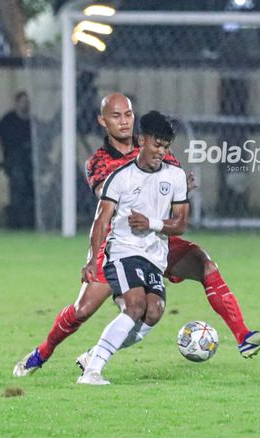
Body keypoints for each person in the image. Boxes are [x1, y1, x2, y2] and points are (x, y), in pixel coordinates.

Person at [13, 93, 260, 377]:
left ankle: (243, 337)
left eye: (128, 115)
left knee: (202, 264)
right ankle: (41, 354)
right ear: (103, 121)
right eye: (116, 116)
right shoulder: (100, 163)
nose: (124, 121)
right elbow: (113, 203)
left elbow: (172, 195)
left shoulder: (158, 146)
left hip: (156, 237)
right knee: (83, 310)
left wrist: (179, 191)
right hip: (121, 244)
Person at [76, 111, 189, 385]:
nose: (161, 152)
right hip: (123, 251)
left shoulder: (176, 177)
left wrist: (150, 222)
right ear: (141, 140)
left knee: (154, 311)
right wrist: (92, 260)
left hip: (154, 256)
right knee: (135, 305)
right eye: (156, 145)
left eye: (166, 147)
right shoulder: (120, 177)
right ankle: (93, 372)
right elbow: (102, 220)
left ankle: (93, 354)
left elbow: (181, 224)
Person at [0, 90, 34, 229]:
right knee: (18, 187)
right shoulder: (8, 121)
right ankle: (16, 221)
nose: (25, 104)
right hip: (14, 160)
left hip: (30, 161)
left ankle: (29, 221)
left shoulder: (33, 122)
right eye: (23, 101)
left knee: (31, 189)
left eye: (27, 102)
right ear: (16, 103)